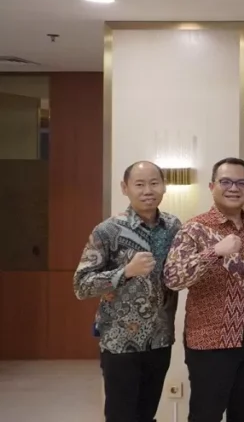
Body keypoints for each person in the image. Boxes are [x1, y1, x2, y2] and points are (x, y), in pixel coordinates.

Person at [163, 157, 244, 422]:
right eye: (226, 181)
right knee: (206, 415)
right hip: (211, 342)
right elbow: (173, 278)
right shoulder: (194, 228)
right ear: (211, 186)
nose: (234, 188)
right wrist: (214, 251)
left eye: (241, 182)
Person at [73, 161, 181, 422]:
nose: (148, 190)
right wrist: (126, 272)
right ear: (125, 188)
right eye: (139, 184)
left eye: (154, 183)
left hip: (160, 339)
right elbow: (81, 285)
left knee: (147, 414)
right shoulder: (107, 230)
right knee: (121, 415)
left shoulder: (174, 227)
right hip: (119, 342)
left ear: (164, 186)